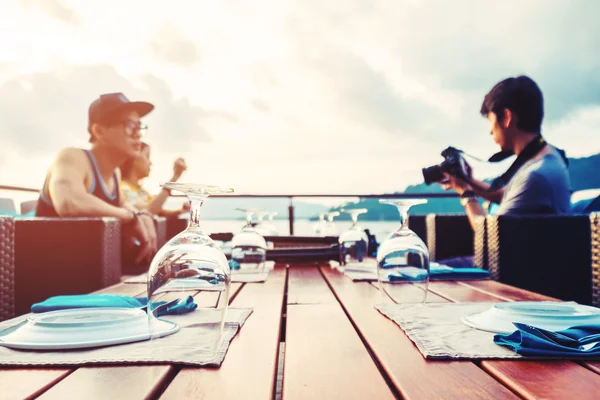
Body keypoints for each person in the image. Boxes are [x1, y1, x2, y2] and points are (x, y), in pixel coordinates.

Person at [439, 76, 571, 267]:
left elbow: (489, 238)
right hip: (531, 264)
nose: (490, 132)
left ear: (507, 117)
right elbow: (506, 195)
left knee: (426, 271)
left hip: (517, 275)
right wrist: (469, 181)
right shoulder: (546, 158)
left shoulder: (535, 176)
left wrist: (465, 193)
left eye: (491, 121)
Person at [35, 92, 159, 266]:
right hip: (46, 271)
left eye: (140, 127)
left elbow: (126, 207)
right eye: (130, 125)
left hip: (84, 272)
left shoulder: (114, 173)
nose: (138, 134)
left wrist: (141, 215)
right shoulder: (73, 157)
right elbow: (69, 202)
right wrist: (131, 217)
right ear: (98, 130)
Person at [120, 142, 189, 217]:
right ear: (135, 159)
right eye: (147, 157)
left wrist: (181, 211)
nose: (150, 163)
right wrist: (175, 177)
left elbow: (159, 212)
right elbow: (149, 210)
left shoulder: (142, 191)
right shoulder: (122, 188)